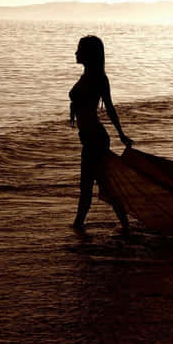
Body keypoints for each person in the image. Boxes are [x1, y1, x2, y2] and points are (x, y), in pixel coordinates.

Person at [69, 35, 133, 232]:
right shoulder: (87, 76)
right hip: (90, 139)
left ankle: (78, 227)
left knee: (94, 187)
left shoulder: (98, 78)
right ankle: (124, 227)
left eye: (79, 49)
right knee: (97, 186)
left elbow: (110, 108)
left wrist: (121, 134)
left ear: (89, 54)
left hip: (95, 140)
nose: (76, 52)